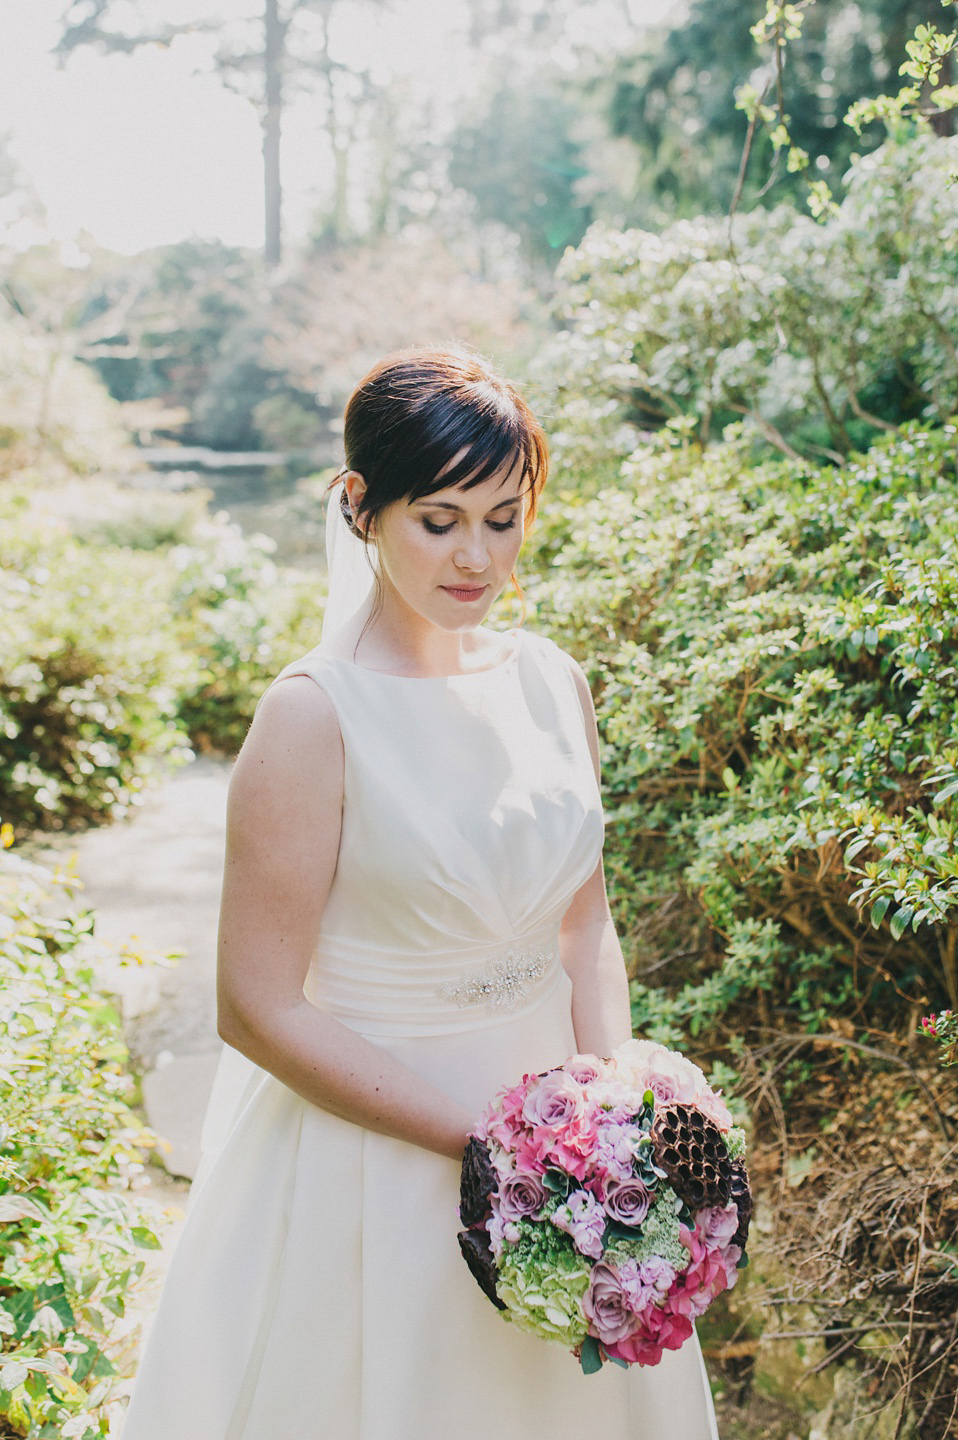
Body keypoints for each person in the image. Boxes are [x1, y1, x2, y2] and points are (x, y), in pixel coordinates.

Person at [121, 349, 720, 1440]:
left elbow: (583, 924)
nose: (476, 555)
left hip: (569, 1154)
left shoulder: (551, 680)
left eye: (502, 517)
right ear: (362, 507)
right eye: (438, 520)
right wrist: (491, 1148)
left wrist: (611, 1097)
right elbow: (255, 1006)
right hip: (380, 1154)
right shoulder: (311, 717)